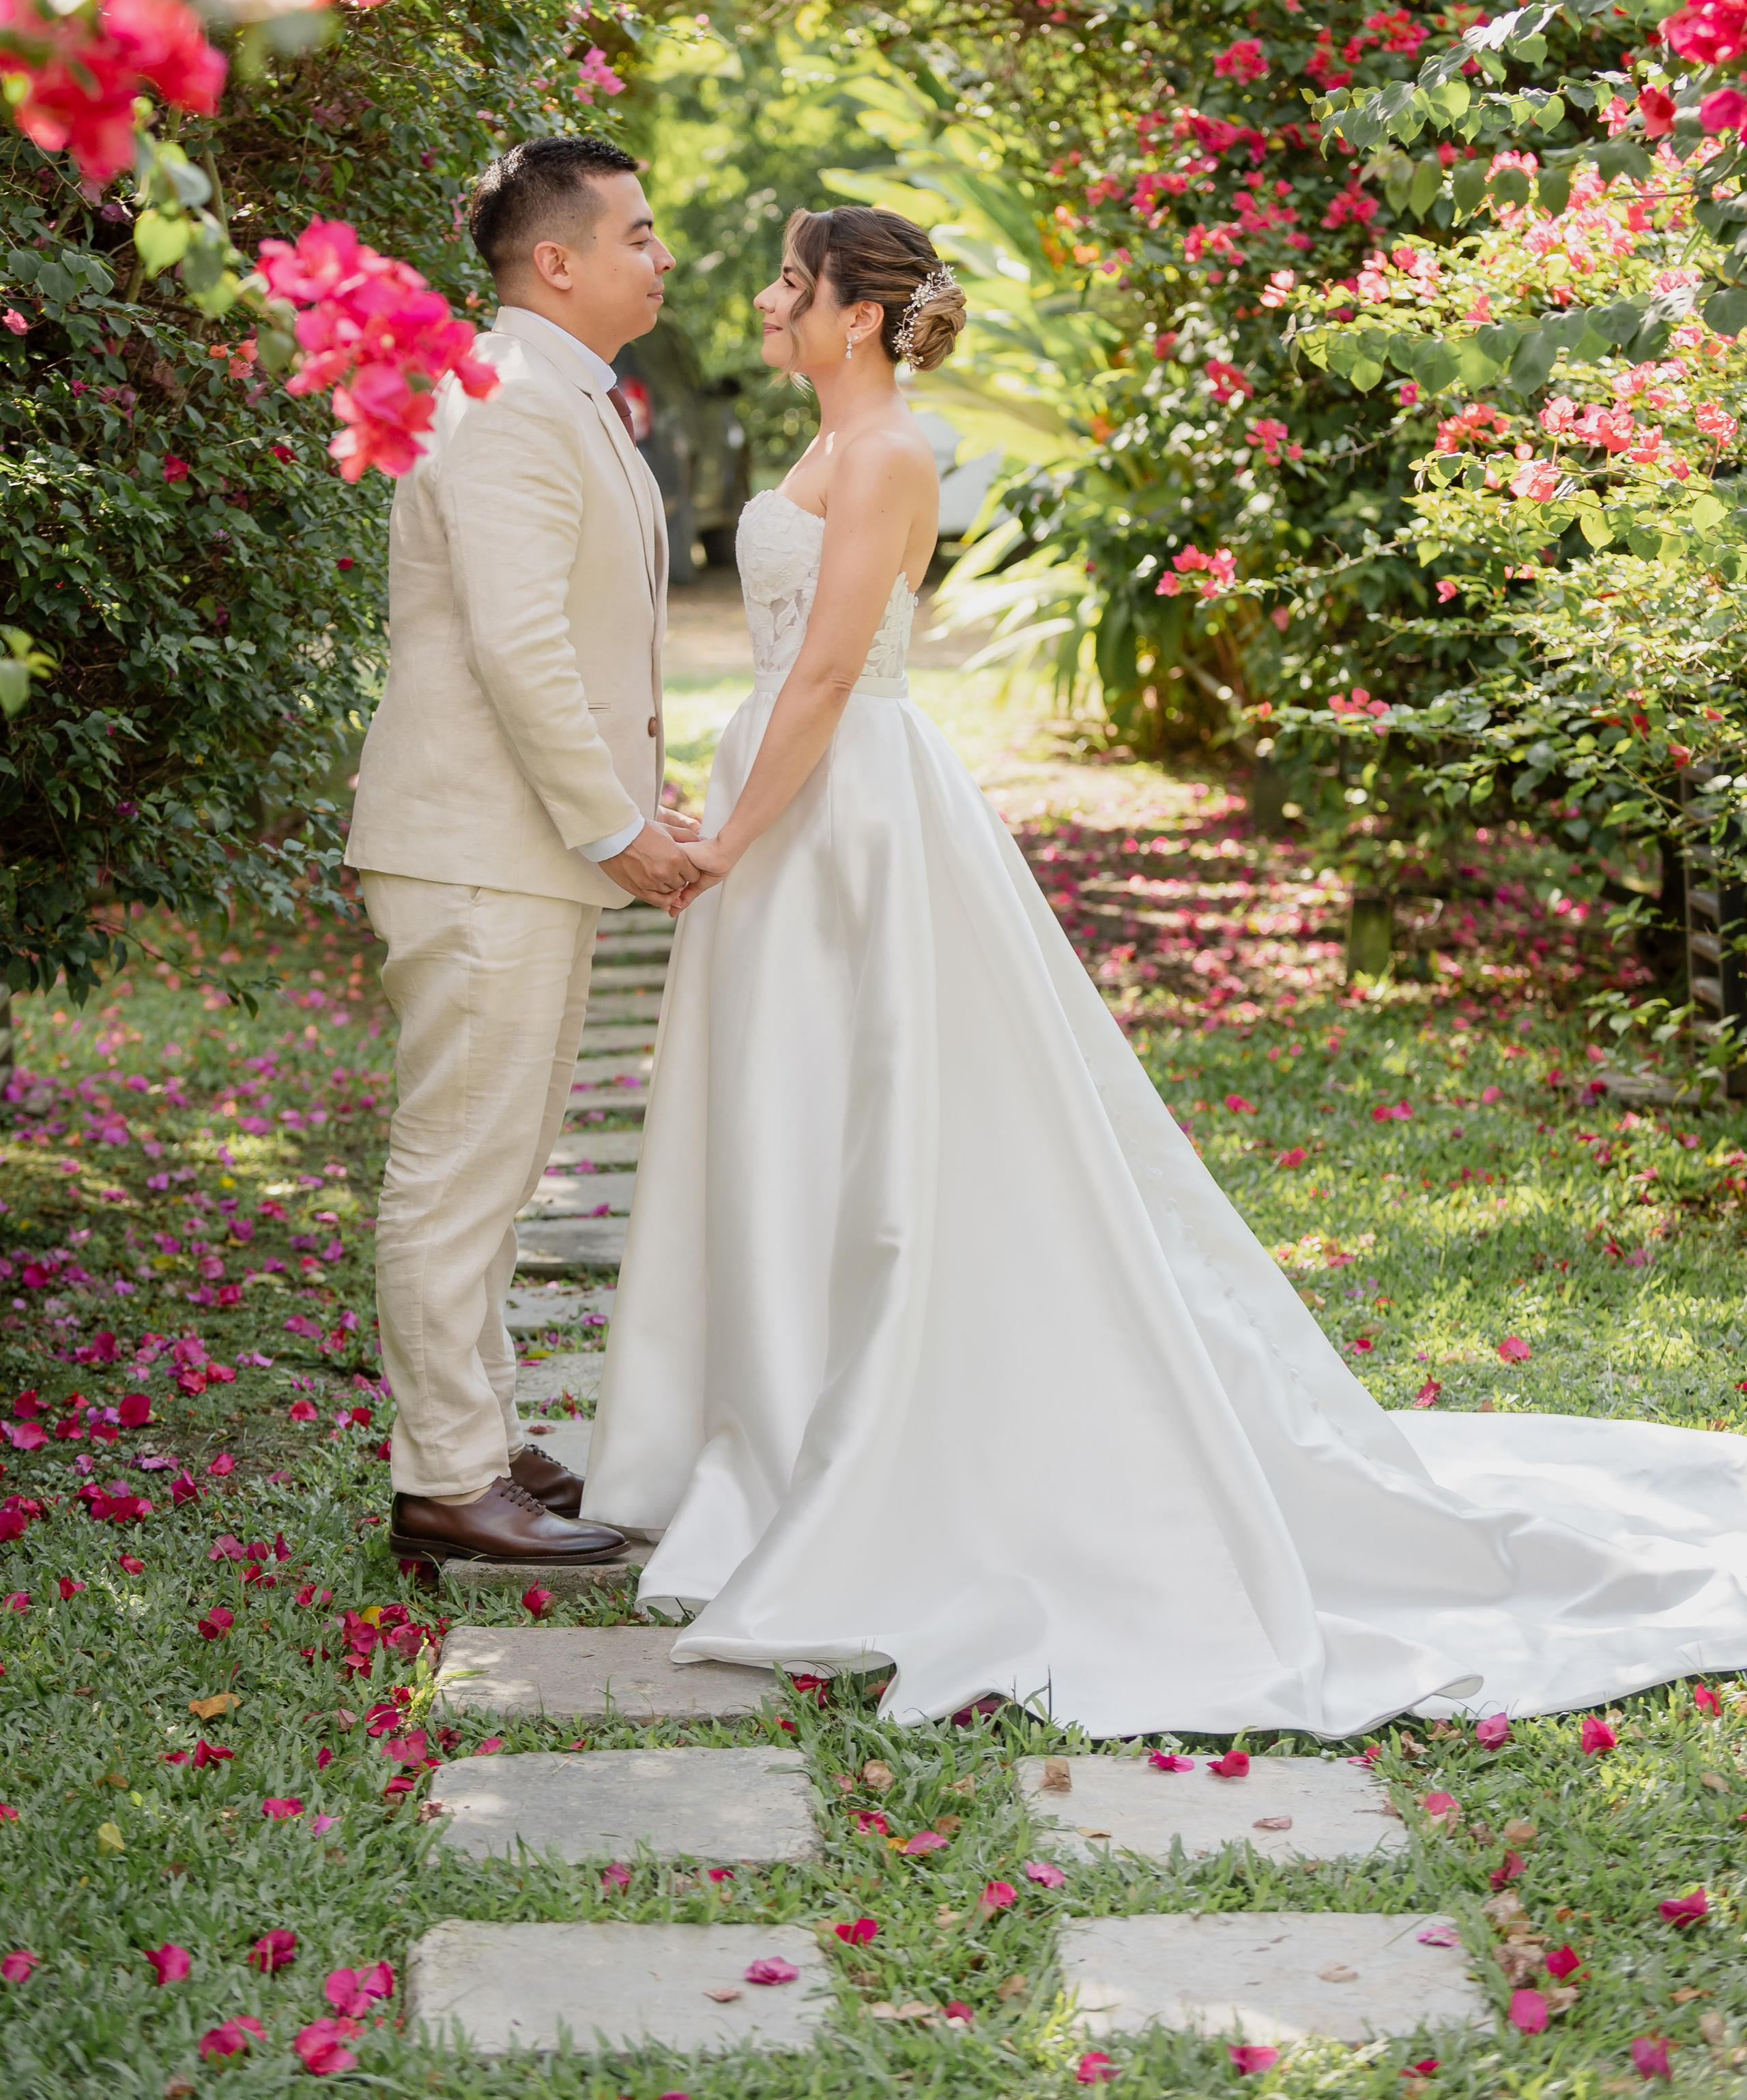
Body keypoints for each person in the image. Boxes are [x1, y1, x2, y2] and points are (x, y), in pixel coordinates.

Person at [583, 201, 1747, 1740]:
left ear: (856, 313)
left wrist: (728, 839)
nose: (765, 303)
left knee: (880, 1115)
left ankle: (871, 1444)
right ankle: (773, 1417)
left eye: (790, 283)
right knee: (780, 1112)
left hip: (849, 809)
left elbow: (828, 669)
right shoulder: (823, 445)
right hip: (786, 792)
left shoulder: (890, 455)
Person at [347, 134, 701, 1569]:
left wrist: (638, 799)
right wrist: (615, 827)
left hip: (519, 845)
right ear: (556, 260)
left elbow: (582, 638)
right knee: (456, 1168)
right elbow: (518, 643)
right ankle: (444, 1480)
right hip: (477, 844)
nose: (662, 256)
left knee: (498, 1167)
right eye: (639, 233)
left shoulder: (565, 392)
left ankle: (483, 1438)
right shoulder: (502, 395)